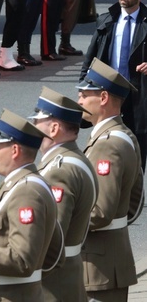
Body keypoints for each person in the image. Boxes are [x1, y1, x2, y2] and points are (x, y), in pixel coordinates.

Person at [77, 58, 144, 300]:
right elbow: (134, 202)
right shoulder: (121, 135)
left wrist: (57, 218)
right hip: (107, 262)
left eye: (84, 94)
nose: (79, 100)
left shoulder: (108, 145)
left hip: (99, 266)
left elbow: (100, 212)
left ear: (103, 98)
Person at [0, 109, 63, 301]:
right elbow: (54, 253)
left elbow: (22, 259)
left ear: (15, 150)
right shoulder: (21, 184)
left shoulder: (26, 191)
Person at [29, 87, 98, 301]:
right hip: (65, 277)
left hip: (54, 285)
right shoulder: (72, 159)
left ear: (54, 128)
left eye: (38, 122)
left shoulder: (59, 171)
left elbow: (52, 233)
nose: (33, 127)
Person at [81, 0, 147, 168]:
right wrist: (84, 89)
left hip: (138, 95)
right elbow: (90, 58)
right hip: (109, 93)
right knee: (106, 145)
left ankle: (135, 195)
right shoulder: (107, 20)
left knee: (137, 150)